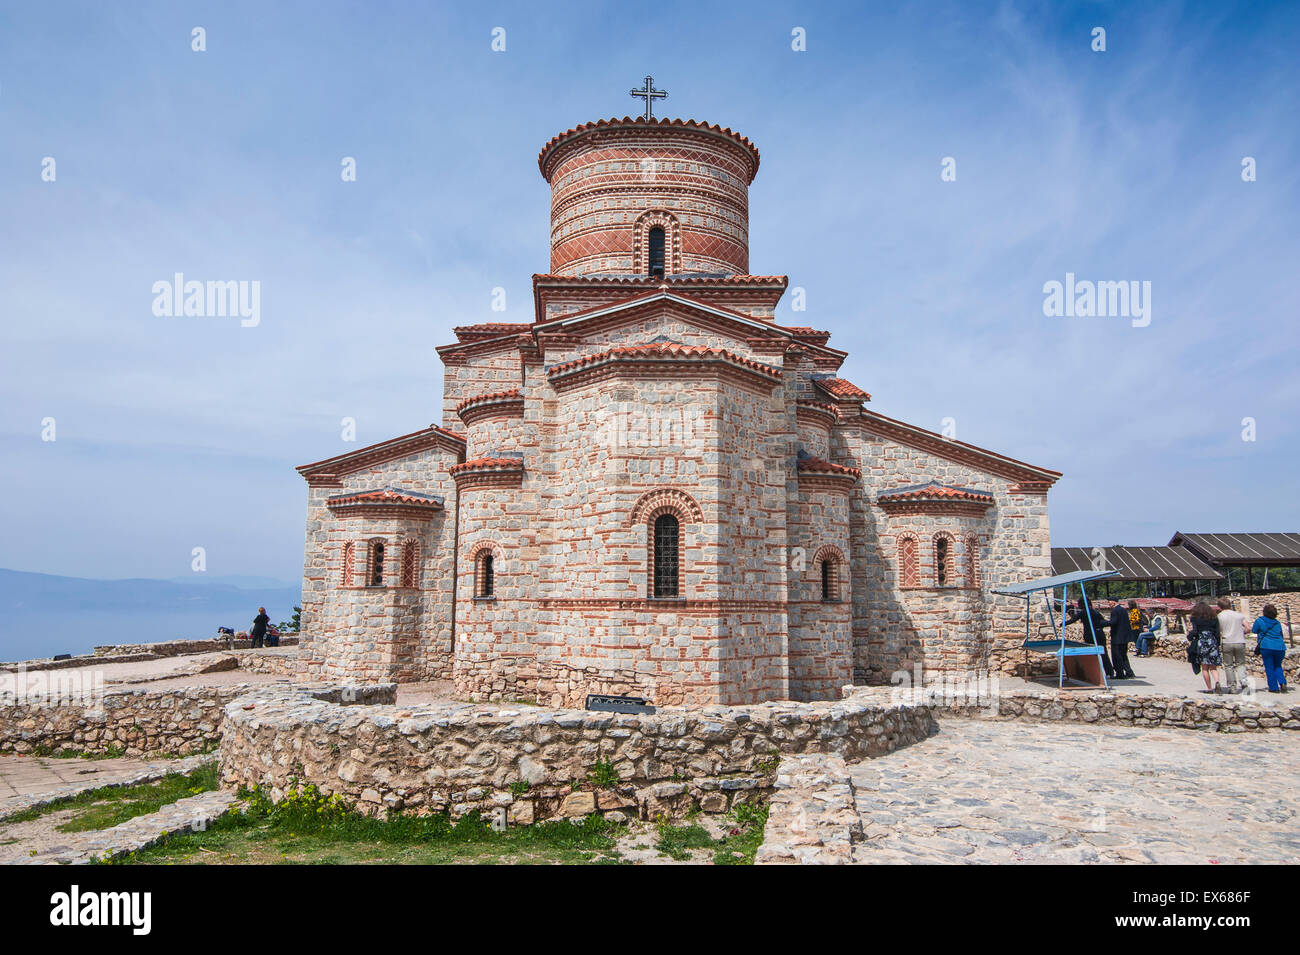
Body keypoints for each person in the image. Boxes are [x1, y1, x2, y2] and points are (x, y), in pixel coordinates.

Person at [1063, 597, 1114, 679]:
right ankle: (1109, 672)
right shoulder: (1096, 612)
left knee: (1091, 655)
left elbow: (1073, 620)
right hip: (1099, 634)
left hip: (1090, 635)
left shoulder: (1083, 612)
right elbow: (1103, 622)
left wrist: (1062, 624)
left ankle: (1093, 673)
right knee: (1104, 654)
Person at [1252, 603, 1289, 694]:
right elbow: (1280, 634)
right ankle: (1282, 682)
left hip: (1266, 646)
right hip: (1280, 647)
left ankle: (1273, 687)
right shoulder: (1277, 623)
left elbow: (1254, 630)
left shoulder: (1260, 621)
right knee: (1277, 665)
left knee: (1269, 667)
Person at [1217, 597, 1249, 694]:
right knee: (1241, 664)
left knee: (1228, 665)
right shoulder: (1238, 615)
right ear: (1230, 605)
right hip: (1239, 641)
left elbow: (1218, 630)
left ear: (1219, 606)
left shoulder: (1219, 616)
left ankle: (1232, 687)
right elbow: (1248, 628)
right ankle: (1244, 683)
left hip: (1227, 641)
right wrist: (1241, 632)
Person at [1188, 601, 1222, 693]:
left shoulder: (1195, 618)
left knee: (1205, 668)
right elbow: (1217, 633)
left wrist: (1189, 637)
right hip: (1212, 641)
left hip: (1202, 642)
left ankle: (1209, 688)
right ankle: (1217, 682)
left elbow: (1195, 631)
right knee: (1213, 667)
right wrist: (1217, 644)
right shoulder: (1214, 618)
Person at [1108, 600, 1136, 679]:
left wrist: (1102, 623)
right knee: (1123, 655)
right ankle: (1129, 672)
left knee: (1117, 656)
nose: (1109, 604)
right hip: (1124, 637)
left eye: (1109, 602)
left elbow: (1113, 622)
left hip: (1117, 637)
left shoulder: (1115, 611)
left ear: (1113, 602)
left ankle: (1120, 674)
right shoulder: (1123, 610)